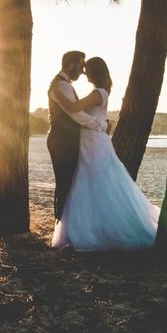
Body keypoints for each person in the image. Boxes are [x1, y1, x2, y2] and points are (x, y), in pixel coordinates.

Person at [50, 57, 160, 251]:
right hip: (90, 138)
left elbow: (74, 109)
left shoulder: (97, 93)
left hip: (94, 140)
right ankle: (90, 225)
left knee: (97, 180)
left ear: (95, 72)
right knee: (88, 180)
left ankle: (100, 229)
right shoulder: (99, 92)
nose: (84, 73)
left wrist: (57, 93)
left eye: (87, 69)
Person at [47, 51, 108, 221]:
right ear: (71, 64)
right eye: (81, 66)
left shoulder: (62, 84)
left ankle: (64, 223)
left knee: (68, 182)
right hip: (63, 140)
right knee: (65, 182)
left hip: (65, 139)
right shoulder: (62, 85)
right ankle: (63, 223)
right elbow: (76, 114)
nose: (82, 71)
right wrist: (101, 125)